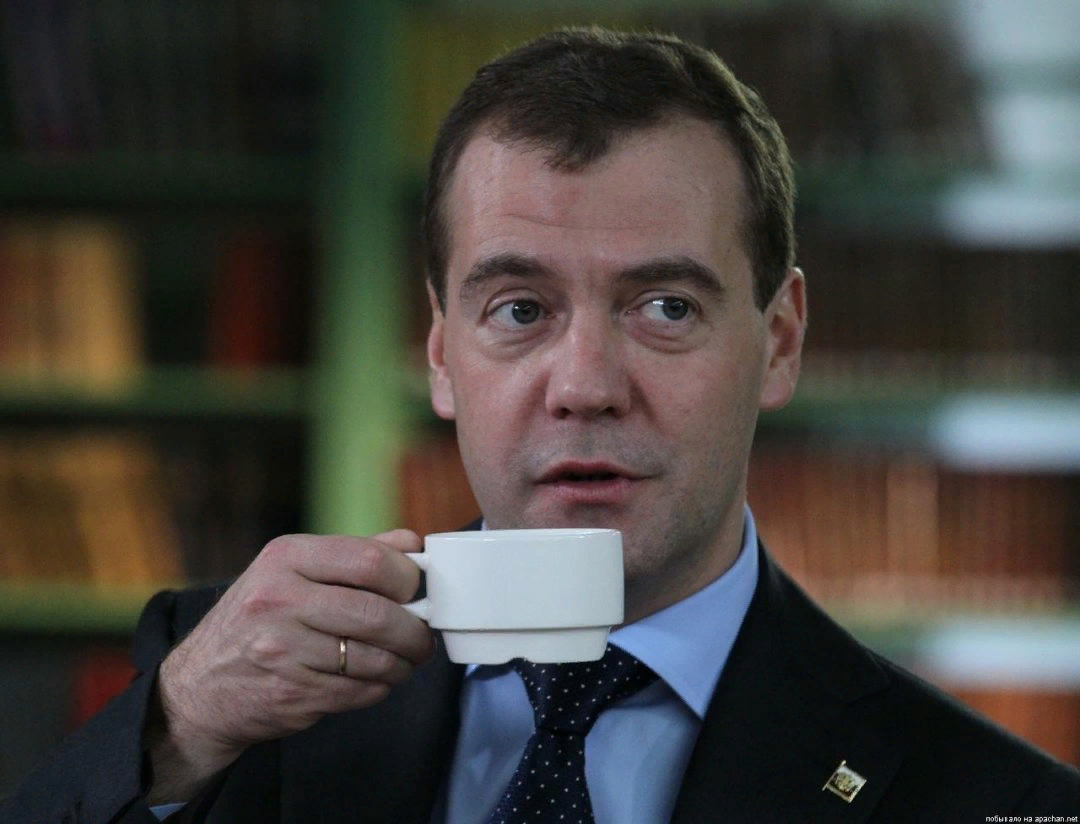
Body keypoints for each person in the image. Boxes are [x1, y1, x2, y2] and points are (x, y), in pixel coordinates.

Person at [4, 27, 1079, 824]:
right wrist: (179, 725)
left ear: (782, 341)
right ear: (440, 352)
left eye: (666, 308)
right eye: (520, 310)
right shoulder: (219, 701)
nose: (586, 386)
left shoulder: (1000, 799)